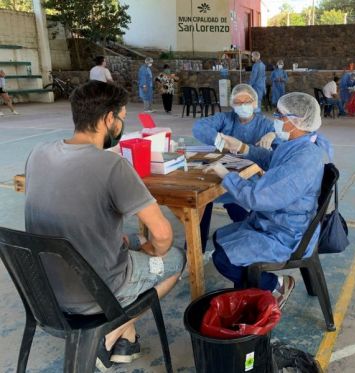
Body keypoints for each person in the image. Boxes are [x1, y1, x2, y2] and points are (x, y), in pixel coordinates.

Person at [24, 81, 185, 370]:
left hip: (42, 290)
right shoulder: (113, 166)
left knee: (132, 239)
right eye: (122, 117)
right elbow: (162, 236)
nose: (122, 124)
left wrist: (136, 244)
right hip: (95, 293)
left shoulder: (38, 154)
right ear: (109, 119)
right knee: (175, 258)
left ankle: (127, 339)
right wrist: (150, 249)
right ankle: (112, 332)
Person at [204, 92, 330, 309]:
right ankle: (248, 292)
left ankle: (276, 285)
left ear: (296, 121)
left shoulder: (304, 159)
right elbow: (272, 159)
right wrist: (242, 148)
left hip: (287, 232)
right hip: (278, 220)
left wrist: (226, 175)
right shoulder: (299, 143)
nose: (277, 120)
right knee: (219, 238)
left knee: (223, 260)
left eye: (280, 116)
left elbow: (257, 197)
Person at [192, 84, 277, 249]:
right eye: (238, 102)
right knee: (203, 196)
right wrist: (220, 140)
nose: (243, 105)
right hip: (220, 168)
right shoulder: (226, 119)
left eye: (247, 101)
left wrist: (274, 134)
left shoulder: (265, 125)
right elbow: (199, 127)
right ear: (232, 105)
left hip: (250, 173)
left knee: (236, 195)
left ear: (255, 103)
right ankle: (196, 246)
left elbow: (280, 151)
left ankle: (251, 232)